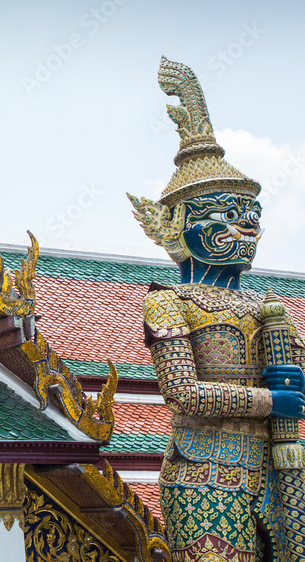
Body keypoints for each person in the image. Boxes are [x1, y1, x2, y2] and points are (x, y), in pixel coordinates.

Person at [129, 57, 305, 561]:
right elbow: (182, 394)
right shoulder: (169, 303)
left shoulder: (268, 308)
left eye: (251, 218)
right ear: (178, 224)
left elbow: (298, 381)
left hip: (279, 466)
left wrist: (296, 387)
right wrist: (270, 404)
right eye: (226, 217)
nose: (245, 231)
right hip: (204, 471)